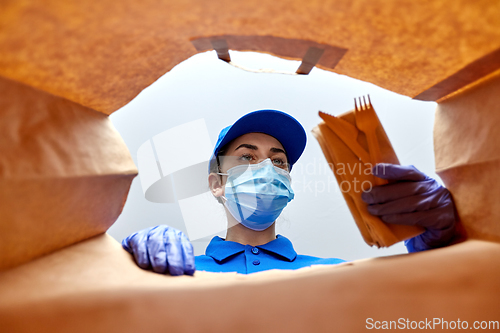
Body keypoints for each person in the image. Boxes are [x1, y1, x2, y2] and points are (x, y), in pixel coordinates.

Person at [122, 110, 457, 276]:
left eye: (278, 161)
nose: (266, 169)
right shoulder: (183, 270)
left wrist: (441, 242)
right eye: (247, 157)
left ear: (288, 184)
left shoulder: (333, 273)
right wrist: (127, 268)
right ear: (216, 184)